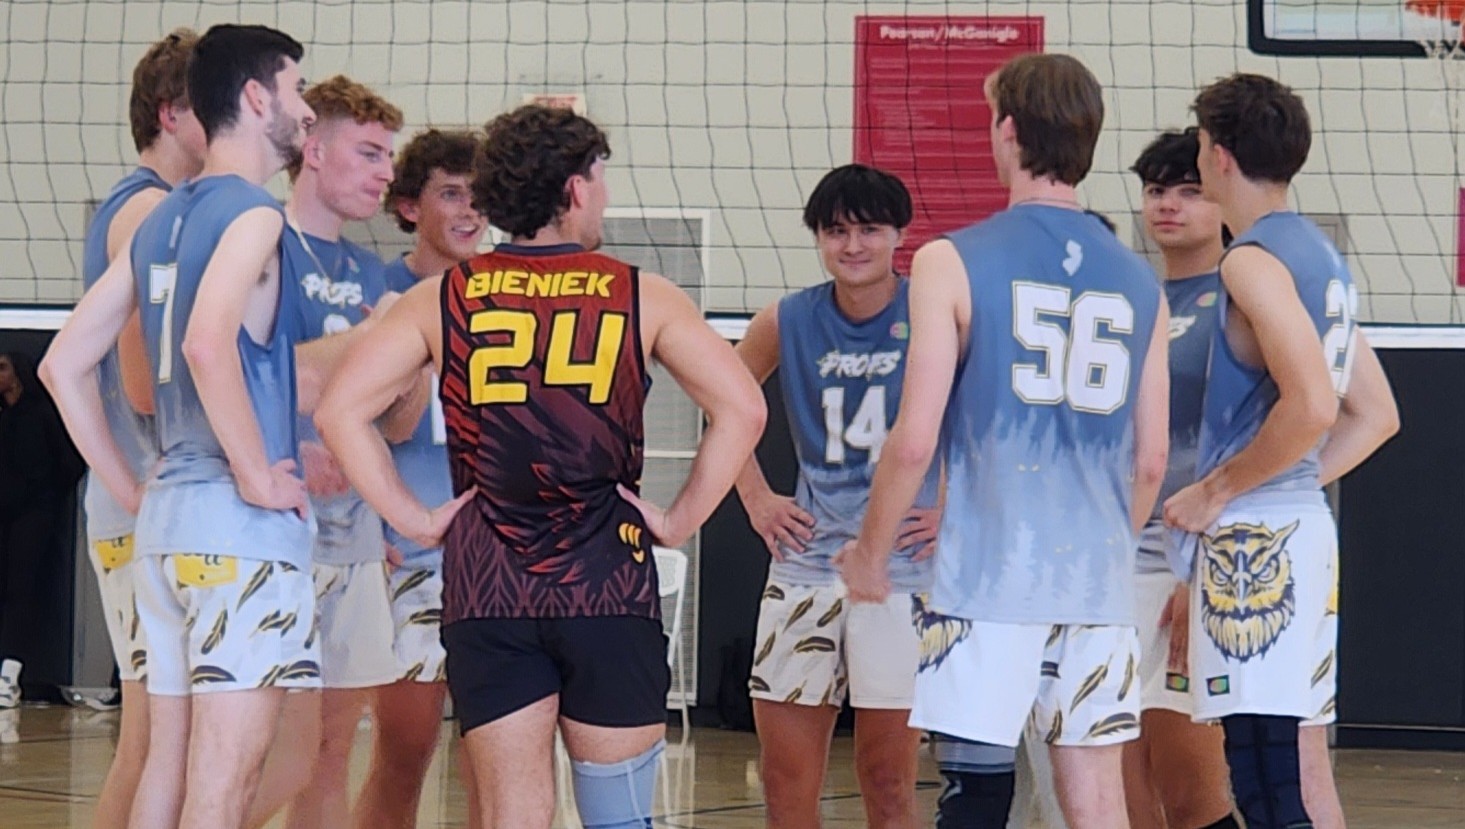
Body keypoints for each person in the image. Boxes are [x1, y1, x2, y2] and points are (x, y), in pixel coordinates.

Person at [313, 103, 766, 829]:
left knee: (511, 816)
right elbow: (744, 409)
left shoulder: (442, 297)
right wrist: (679, 519)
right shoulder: (641, 293)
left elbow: (340, 411)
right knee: (618, 818)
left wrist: (414, 517)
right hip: (606, 584)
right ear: (579, 188)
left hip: (490, 586)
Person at [840, 53, 1169, 829]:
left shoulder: (949, 259)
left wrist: (869, 551)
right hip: (1094, 582)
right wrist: (1096, 546)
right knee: (1095, 799)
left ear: (1008, 131)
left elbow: (914, 439)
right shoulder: (1139, 280)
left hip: (987, 577)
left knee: (974, 795)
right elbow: (1150, 459)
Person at [40, 24, 319, 829]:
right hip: (237, 532)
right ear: (258, 97)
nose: (305, 111)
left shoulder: (156, 218)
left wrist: (131, 485)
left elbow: (63, 366)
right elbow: (206, 341)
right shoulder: (256, 216)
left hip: (163, 527)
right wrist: (258, 472)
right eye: (296, 90)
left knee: (165, 761)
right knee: (223, 781)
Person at [1165, 72, 1399, 829]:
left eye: (1199, 146)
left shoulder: (1249, 260)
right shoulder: (1320, 256)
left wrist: (1218, 490)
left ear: (1218, 155)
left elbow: (1312, 406)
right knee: (1278, 768)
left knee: (1265, 777)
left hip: (1252, 542)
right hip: (1297, 527)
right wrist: (1289, 479)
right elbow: (1376, 416)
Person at [734, 163, 937, 829]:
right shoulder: (787, 318)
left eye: (868, 230)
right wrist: (757, 497)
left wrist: (956, 509)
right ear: (818, 238)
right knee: (785, 781)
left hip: (902, 573)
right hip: (805, 567)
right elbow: (723, 402)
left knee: (888, 780)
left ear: (898, 235)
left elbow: (994, 419)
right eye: (835, 231)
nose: (851, 246)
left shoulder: (934, 315)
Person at [246, 74, 407, 829]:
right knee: (274, 749)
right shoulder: (262, 240)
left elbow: (393, 424)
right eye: (369, 152)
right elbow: (240, 376)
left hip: (352, 539)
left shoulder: (372, 272)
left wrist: (411, 358)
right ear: (312, 150)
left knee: (333, 748)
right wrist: (373, 339)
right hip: (277, 535)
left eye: (389, 156)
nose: (385, 171)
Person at [74, 28, 207, 829]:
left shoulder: (160, 205)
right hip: (139, 498)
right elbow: (141, 382)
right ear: (171, 112)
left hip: (145, 501)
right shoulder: (149, 209)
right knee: (153, 733)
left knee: (169, 736)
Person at [352, 126, 487, 829]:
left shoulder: (504, 294)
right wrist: (364, 526)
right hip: (408, 554)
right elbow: (342, 422)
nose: (469, 211)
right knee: (403, 752)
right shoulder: (376, 290)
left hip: (494, 556)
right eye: (451, 193)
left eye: (478, 195)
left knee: (494, 759)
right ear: (409, 207)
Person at [1122, 128, 1237, 829]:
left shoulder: (1240, 293)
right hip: (1115, 568)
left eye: (1188, 190)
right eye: (1156, 190)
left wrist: (1203, 575)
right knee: (1119, 788)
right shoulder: (1131, 300)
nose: (1167, 205)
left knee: (1193, 794)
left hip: (1189, 567)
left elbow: (1266, 438)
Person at [0, 351, 84, 707]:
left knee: (23, 589)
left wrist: (46, 496)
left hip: (34, 513)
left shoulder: (41, 413)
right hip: (4, 512)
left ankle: (10, 674)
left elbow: (69, 461)